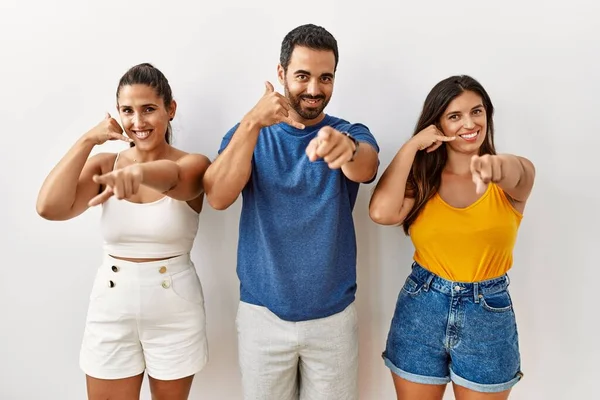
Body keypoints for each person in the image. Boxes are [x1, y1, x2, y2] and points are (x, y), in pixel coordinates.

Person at [202, 24, 380, 400]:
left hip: (333, 318)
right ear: (281, 74)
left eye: (325, 78)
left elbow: (366, 166)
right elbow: (217, 196)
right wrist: (252, 122)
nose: (314, 89)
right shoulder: (248, 133)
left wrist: (344, 148)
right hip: (261, 315)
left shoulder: (349, 132)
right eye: (303, 75)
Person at [36, 63, 211, 400]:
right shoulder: (106, 165)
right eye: (127, 111)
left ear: (170, 109)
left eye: (148, 109)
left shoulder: (195, 163)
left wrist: (139, 173)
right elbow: (48, 207)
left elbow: (173, 178)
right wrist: (89, 139)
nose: (138, 122)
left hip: (174, 306)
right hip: (111, 304)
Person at [369, 75, 535, 400]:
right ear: (438, 123)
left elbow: (520, 172)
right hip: (422, 307)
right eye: (454, 116)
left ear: (488, 115)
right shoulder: (422, 181)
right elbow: (381, 212)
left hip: (487, 314)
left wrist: (493, 166)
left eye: (477, 111)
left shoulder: (508, 178)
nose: (469, 123)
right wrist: (412, 146)